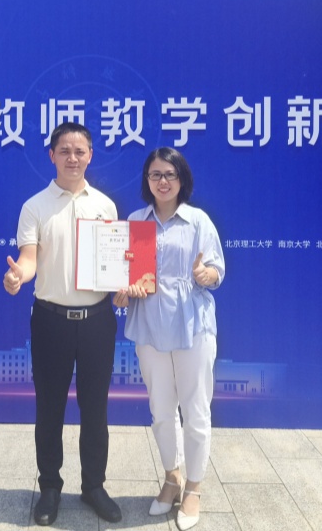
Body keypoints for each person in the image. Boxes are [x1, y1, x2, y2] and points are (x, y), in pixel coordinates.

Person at [2, 122, 122, 527]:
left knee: (96, 409)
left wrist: (126, 286)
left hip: (97, 322)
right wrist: (19, 275)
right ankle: (50, 488)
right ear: (51, 155)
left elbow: (113, 265)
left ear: (91, 156)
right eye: (65, 150)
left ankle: (94, 486)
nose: (73, 157)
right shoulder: (35, 206)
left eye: (80, 151)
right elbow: (29, 258)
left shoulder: (105, 207)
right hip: (50, 321)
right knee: (49, 409)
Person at [113, 147, 224, 531]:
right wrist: (122, 291)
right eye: (155, 174)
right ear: (146, 180)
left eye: (170, 175)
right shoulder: (135, 222)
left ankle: (194, 487)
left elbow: (217, 270)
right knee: (161, 409)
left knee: (195, 410)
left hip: (192, 325)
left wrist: (206, 275)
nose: (163, 181)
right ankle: (172, 477)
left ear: (182, 180)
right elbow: (125, 274)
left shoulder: (198, 221)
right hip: (149, 325)